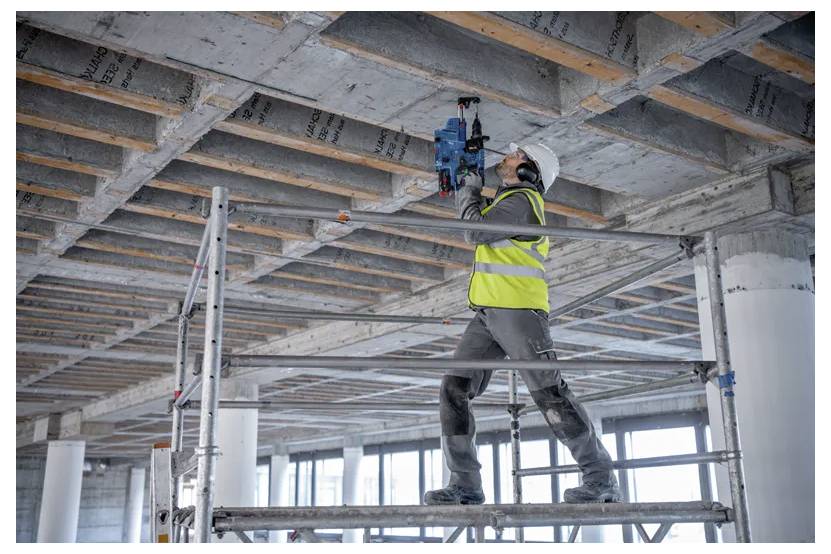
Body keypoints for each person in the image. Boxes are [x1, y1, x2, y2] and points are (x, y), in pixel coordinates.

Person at [424, 143, 622, 505]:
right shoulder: (506, 203)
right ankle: (466, 484)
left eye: (516, 155)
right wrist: (469, 186)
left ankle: (601, 478)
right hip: (487, 314)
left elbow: (474, 231)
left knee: (550, 393)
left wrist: (469, 189)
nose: (507, 156)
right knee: (453, 389)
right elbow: (481, 224)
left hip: (519, 312)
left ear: (531, 172)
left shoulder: (525, 202)